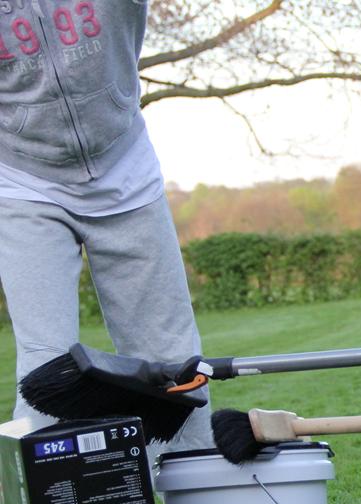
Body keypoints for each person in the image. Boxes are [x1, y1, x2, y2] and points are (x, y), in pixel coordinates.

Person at [0, 0, 211, 450]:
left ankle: (196, 499)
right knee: (45, 365)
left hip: (126, 169)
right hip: (21, 178)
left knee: (173, 357)